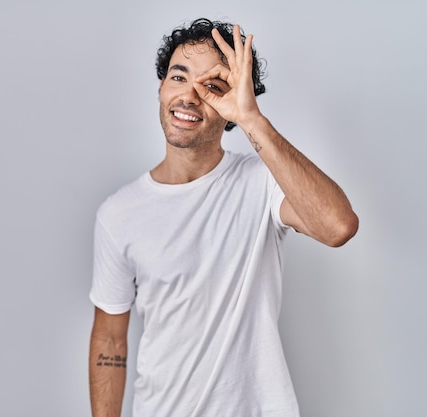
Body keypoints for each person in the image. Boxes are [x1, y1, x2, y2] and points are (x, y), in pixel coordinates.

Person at [88, 17, 358, 417]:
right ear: (161, 87)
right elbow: (110, 339)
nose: (190, 96)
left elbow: (338, 227)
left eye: (212, 86)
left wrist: (253, 120)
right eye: (178, 77)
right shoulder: (119, 213)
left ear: (232, 106)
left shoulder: (263, 182)